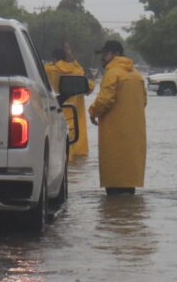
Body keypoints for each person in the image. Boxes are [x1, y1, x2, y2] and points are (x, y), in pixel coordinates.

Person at [88, 40, 147, 196]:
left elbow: (104, 100)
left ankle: (114, 218)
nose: (102, 58)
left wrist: (93, 112)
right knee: (128, 187)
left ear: (115, 54)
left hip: (114, 136)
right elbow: (144, 101)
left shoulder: (112, 73)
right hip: (134, 138)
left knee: (114, 189)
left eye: (105, 54)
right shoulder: (137, 75)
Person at [44, 42, 94, 158]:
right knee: (74, 157)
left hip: (53, 115)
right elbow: (90, 87)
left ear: (54, 58)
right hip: (74, 120)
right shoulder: (77, 72)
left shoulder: (47, 70)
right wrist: (72, 59)